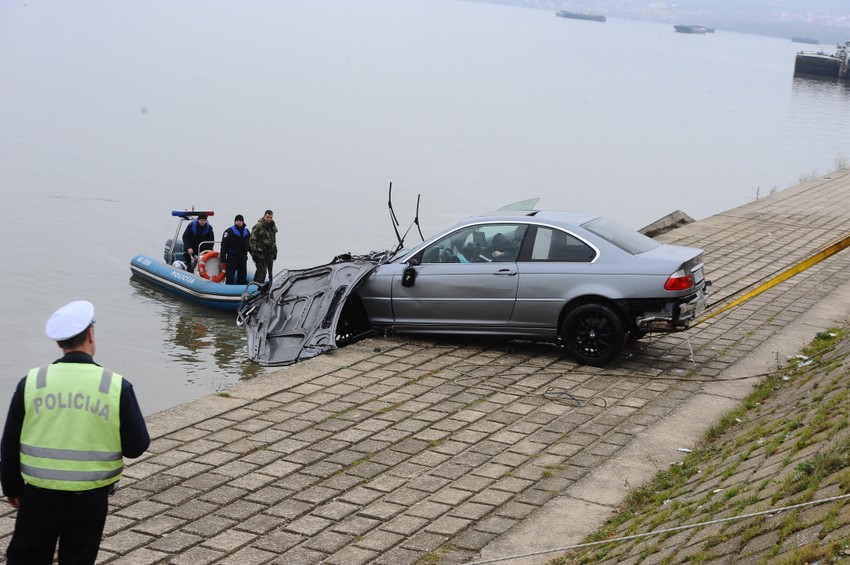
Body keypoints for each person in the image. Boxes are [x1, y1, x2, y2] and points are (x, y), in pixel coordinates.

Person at [1, 300, 150, 564]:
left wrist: (12, 487)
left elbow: (10, 442)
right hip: (90, 496)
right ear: (91, 334)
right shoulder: (115, 386)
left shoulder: (33, 382)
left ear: (60, 343)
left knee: (27, 557)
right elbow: (136, 446)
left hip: (38, 495)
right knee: (78, 558)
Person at [220, 214, 250, 285]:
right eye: (237, 221)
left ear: (243, 222)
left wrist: (254, 255)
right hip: (232, 257)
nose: (239, 222)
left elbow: (250, 245)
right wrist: (222, 258)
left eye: (240, 221)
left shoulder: (247, 232)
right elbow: (224, 246)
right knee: (230, 275)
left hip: (243, 257)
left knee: (242, 275)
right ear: (235, 221)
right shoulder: (229, 231)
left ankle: (241, 289)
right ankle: (229, 288)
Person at [249, 210, 278, 284]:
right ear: (264, 216)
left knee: (269, 272)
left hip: (269, 253)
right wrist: (255, 252)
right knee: (262, 272)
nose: (269, 219)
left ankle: (256, 284)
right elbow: (252, 240)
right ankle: (257, 287)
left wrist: (275, 251)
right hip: (260, 253)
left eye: (271, 217)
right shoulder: (258, 226)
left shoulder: (272, 226)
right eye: (267, 217)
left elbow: (273, 241)